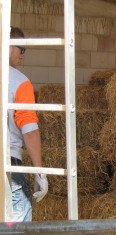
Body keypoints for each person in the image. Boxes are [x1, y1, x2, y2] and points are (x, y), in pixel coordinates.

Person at [9, 26, 48, 221]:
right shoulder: (19, 81)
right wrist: (40, 173)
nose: (23, 55)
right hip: (8, 168)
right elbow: (30, 131)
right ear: (7, 46)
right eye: (21, 48)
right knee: (14, 225)